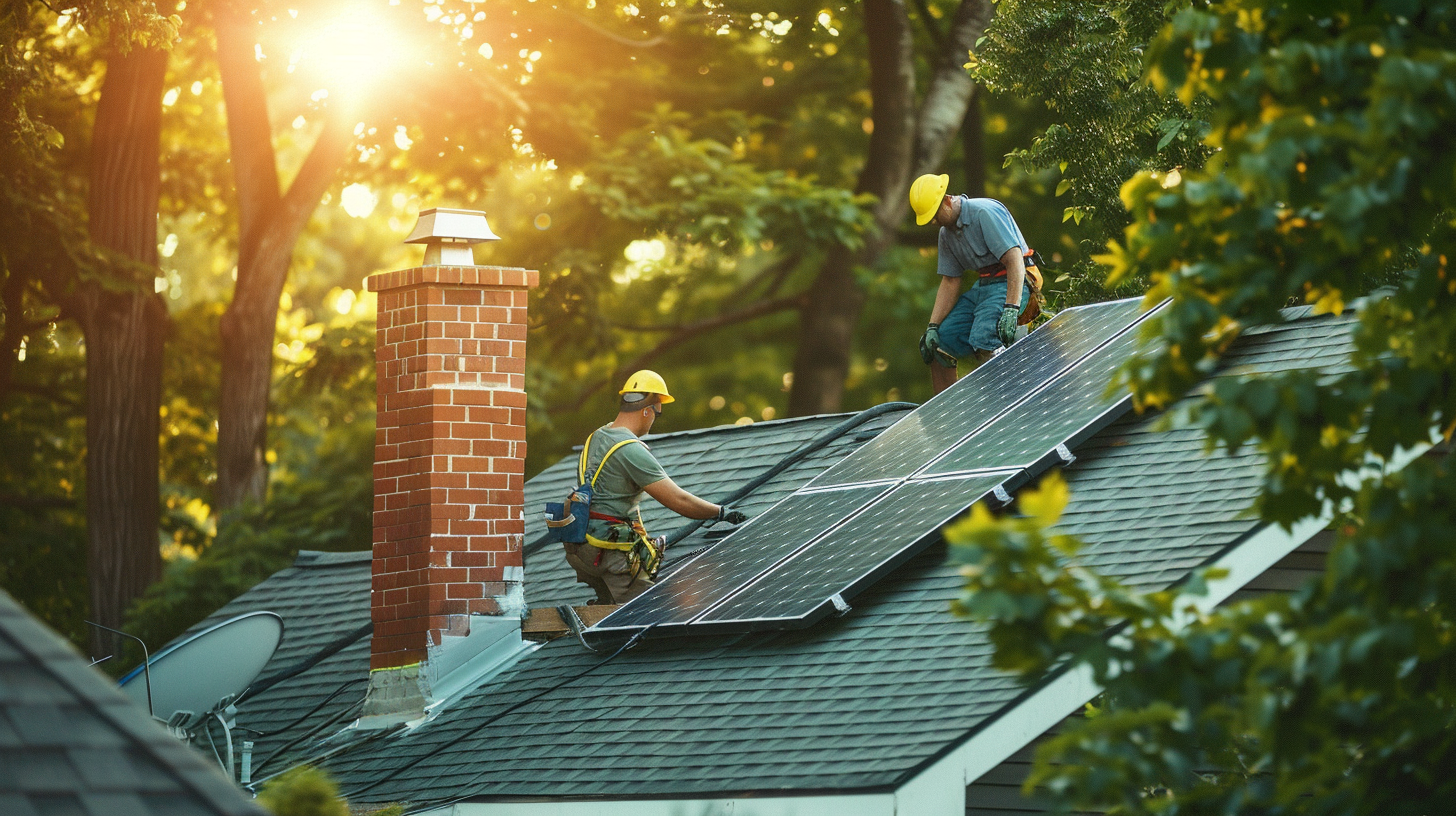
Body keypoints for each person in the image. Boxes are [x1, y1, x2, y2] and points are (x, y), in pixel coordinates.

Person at [562, 369, 749, 605]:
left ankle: (608, 607)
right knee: (647, 613)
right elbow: (677, 500)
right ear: (647, 410)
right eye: (657, 413)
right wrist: (719, 512)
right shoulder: (629, 448)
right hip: (609, 554)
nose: (653, 420)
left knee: (611, 616)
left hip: (581, 549)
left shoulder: (597, 437)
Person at [908, 173, 1036, 395]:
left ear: (947, 199)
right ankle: (946, 415)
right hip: (984, 287)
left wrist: (1011, 308)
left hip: (1015, 279)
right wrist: (932, 327)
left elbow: (1015, 260)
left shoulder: (983, 213)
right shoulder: (945, 235)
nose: (935, 222)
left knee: (983, 335)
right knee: (939, 343)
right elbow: (949, 280)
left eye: (935, 215)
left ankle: (1008, 398)